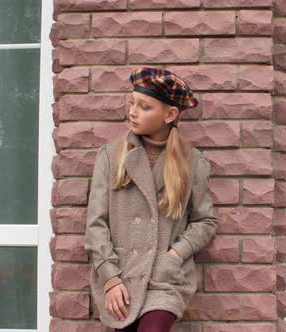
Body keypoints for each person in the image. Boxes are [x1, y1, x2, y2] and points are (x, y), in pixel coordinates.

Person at [84, 67, 218, 332]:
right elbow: (96, 224)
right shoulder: (110, 156)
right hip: (123, 275)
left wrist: (175, 254)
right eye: (131, 103)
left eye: (144, 106)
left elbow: (206, 222)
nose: (133, 112)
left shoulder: (193, 162)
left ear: (170, 114)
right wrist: (110, 277)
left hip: (165, 278)